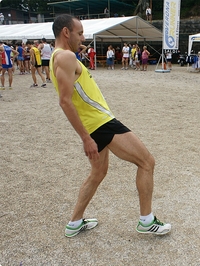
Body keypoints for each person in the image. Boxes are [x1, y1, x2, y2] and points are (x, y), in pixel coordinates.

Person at [50, 14, 171, 238]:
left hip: (95, 124)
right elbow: (65, 101)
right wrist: (86, 138)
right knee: (147, 162)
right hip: (100, 123)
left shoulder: (60, 56)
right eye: (79, 33)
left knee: (98, 173)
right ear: (66, 33)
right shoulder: (66, 57)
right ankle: (146, 220)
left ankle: (74, 222)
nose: (83, 37)